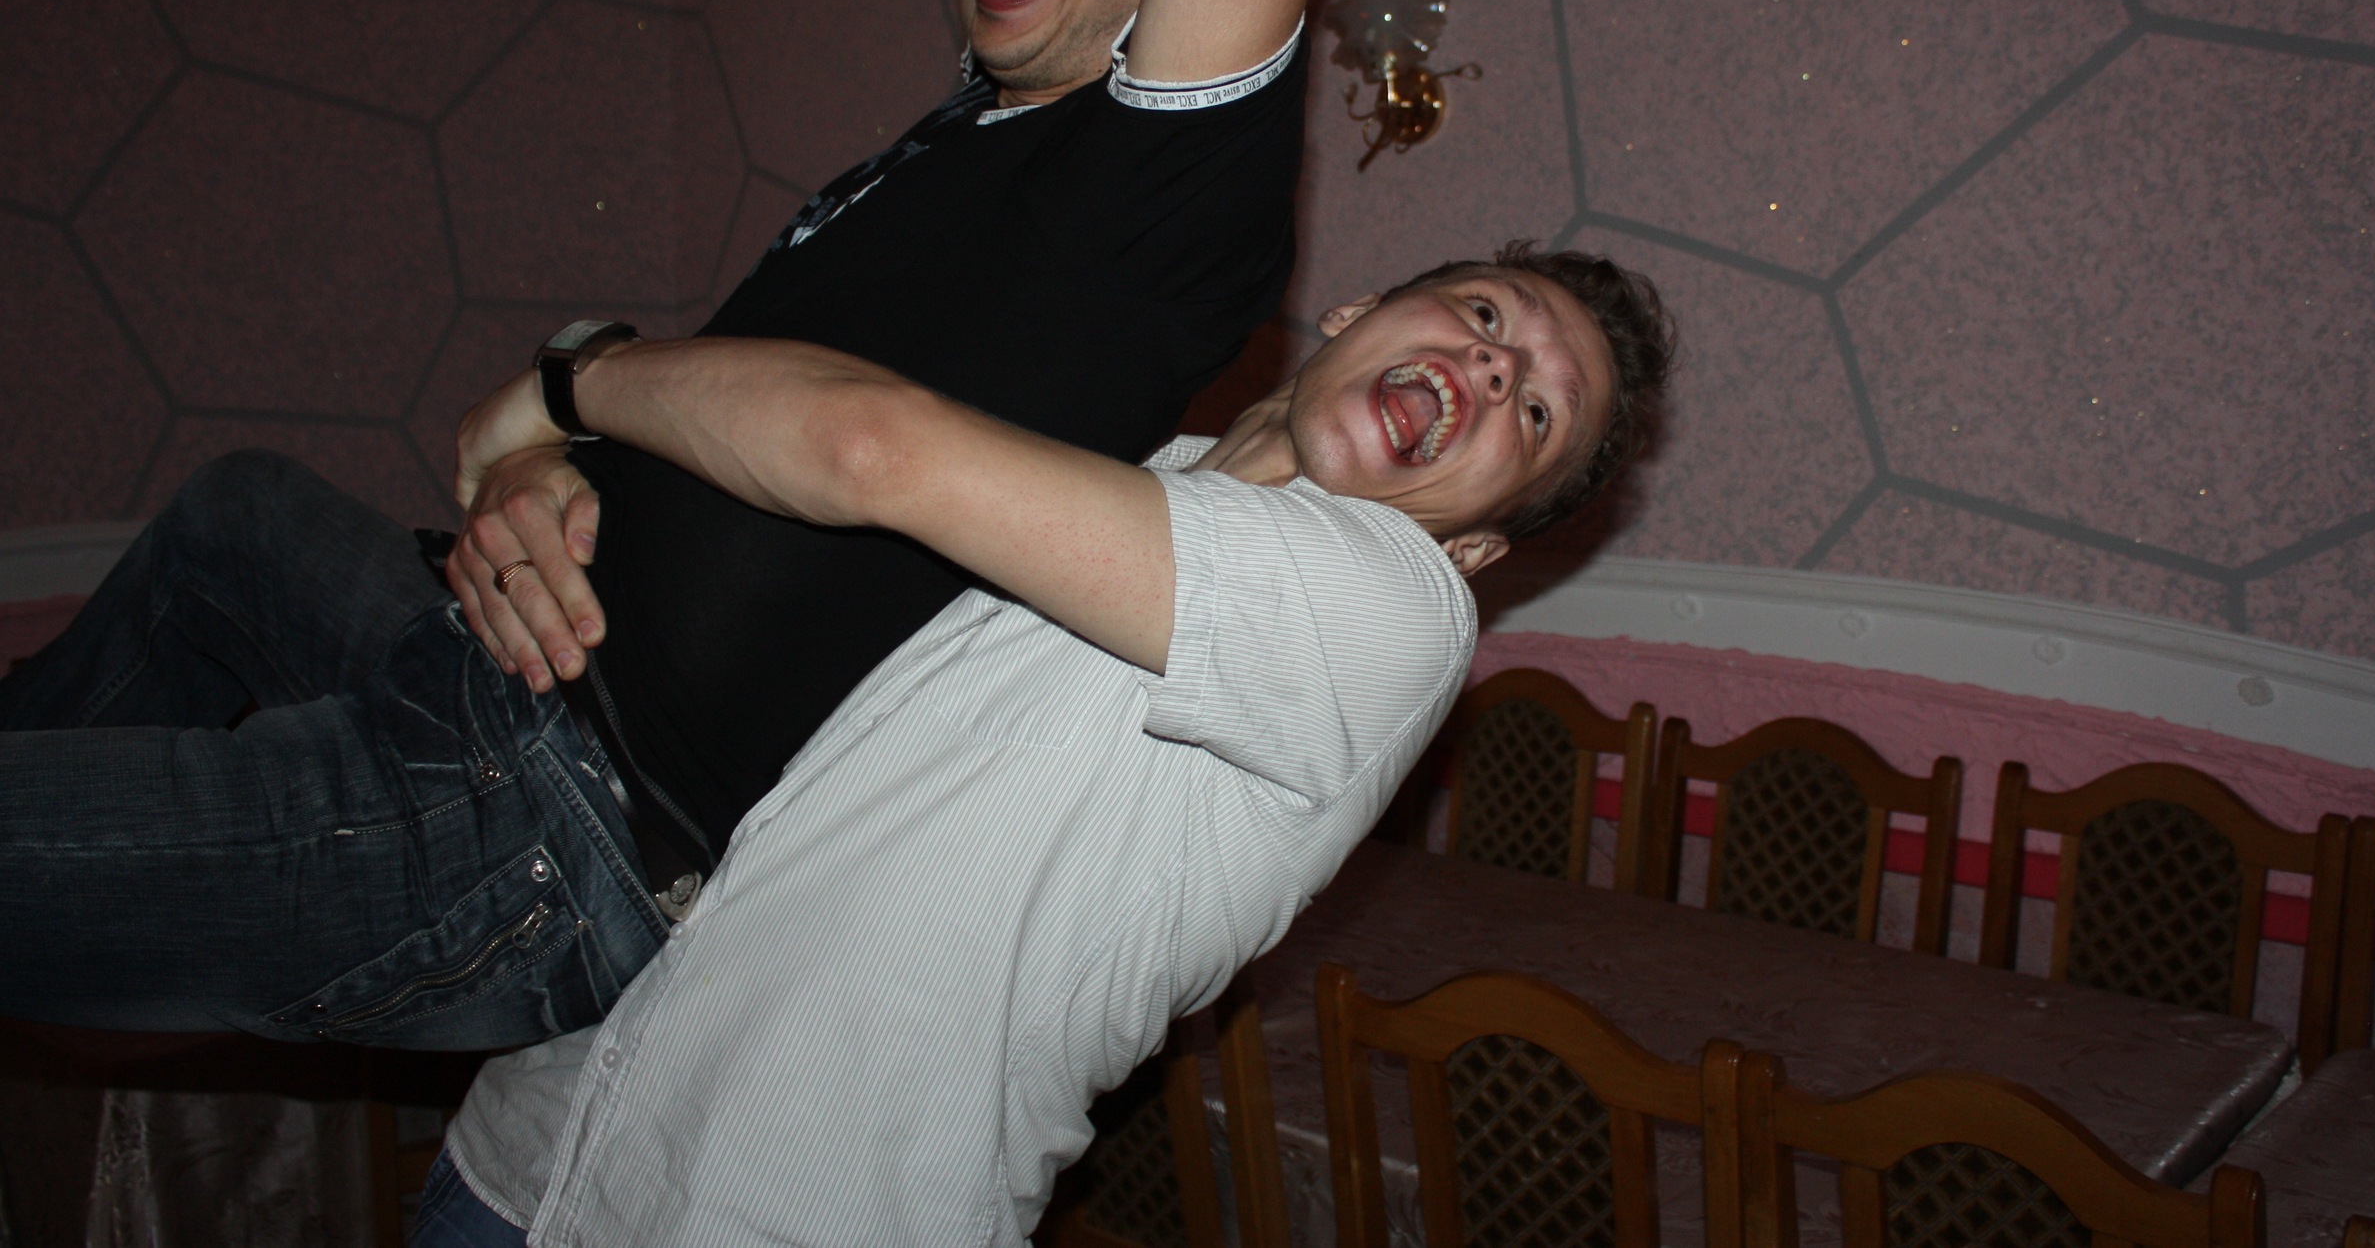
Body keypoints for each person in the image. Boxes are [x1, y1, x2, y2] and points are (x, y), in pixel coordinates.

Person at [0, 0, 1350, 1051]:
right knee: (235, 520)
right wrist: (552, 466)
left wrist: (568, 383)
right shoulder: (993, 110)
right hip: (497, 665)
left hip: (542, 827)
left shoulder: (1158, 195)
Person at [422, 239, 1674, 1246]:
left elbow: (867, 449)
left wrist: (566, 385)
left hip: (789, 1207)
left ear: (1475, 549)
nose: (1492, 366)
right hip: (545, 1133)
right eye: (1485, 315)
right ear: (1355, 314)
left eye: (1536, 412)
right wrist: (558, 487)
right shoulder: (1133, 471)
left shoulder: (1396, 612)